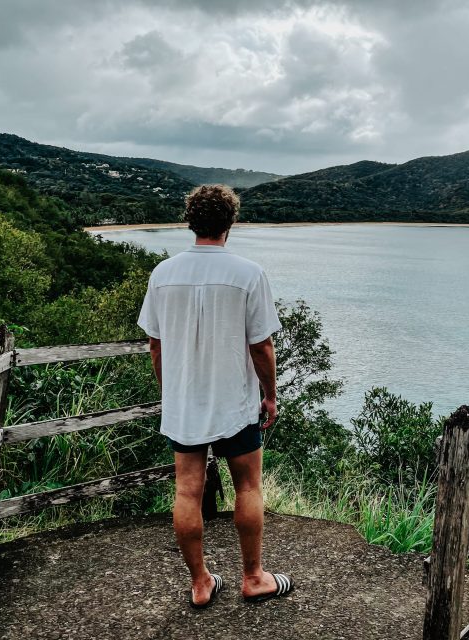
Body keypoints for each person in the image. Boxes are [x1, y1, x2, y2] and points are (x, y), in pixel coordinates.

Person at [137, 184, 293, 609]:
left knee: (187, 491)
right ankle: (253, 577)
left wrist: (172, 393)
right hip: (236, 405)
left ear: (191, 222)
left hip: (185, 405)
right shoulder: (248, 273)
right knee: (248, 487)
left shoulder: (163, 274)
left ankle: (201, 582)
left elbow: (156, 343)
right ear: (230, 222)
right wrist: (271, 395)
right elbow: (261, 346)